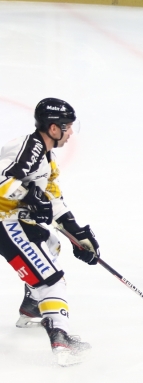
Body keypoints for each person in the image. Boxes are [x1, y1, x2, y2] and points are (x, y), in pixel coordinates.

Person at [0, 98, 98, 365]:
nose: (70, 133)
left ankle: (32, 309)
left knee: (52, 243)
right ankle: (61, 339)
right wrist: (30, 196)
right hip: (5, 221)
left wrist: (78, 234)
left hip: (15, 220)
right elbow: (3, 182)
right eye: (67, 127)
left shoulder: (47, 157)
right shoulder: (29, 148)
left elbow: (53, 200)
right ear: (53, 128)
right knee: (52, 280)